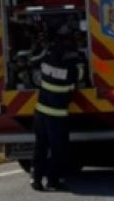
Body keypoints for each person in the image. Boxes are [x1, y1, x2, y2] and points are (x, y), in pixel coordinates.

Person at [31, 29, 82, 191]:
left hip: (40, 113)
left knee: (40, 146)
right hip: (56, 116)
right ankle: (53, 180)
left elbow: (35, 60)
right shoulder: (70, 70)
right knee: (58, 148)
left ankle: (36, 179)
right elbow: (79, 76)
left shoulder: (46, 63)